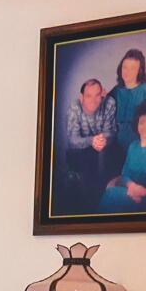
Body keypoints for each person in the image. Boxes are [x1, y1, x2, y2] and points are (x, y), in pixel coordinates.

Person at [57, 75, 115, 213]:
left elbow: (111, 132)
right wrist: (91, 140)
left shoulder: (109, 102)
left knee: (106, 155)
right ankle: (84, 206)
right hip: (81, 149)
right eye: (88, 96)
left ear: (102, 95)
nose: (93, 100)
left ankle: (102, 204)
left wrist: (103, 140)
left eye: (97, 95)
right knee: (80, 168)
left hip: (102, 147)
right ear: (81, 97)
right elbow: (73, 140)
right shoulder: (74, 107)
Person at [103, 48, 146, 149]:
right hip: (114, 143)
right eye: (125, 67)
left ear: (140, 71)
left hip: (138, 143)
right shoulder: (117, 90)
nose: (127, 72)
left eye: (132, 68)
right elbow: (104, 111)